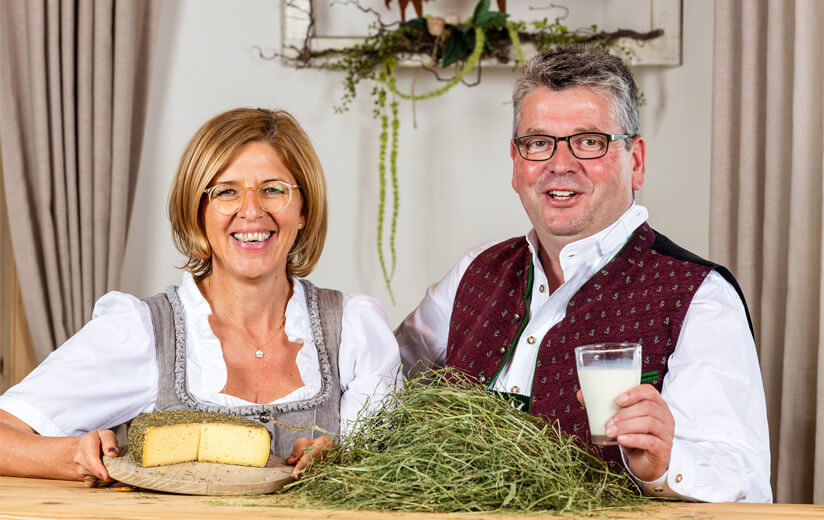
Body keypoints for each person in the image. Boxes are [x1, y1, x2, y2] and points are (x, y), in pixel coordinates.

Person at [395, 46, 771, 502]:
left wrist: (664, 466)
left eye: (589, 141)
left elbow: (745, 485)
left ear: (636, 162)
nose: (560, 164)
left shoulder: (700, 297)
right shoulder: (474, 273)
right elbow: (378, 381)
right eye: (538, 143)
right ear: (516, 165)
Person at [0, 108, 401, 485]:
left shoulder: (353, 328)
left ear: (304, 211)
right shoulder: (142, 331)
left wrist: (341, 459)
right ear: (197, 212)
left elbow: (390, 465)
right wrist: (74, 455)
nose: (251, 211)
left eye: (273, 190)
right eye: (225, 192)